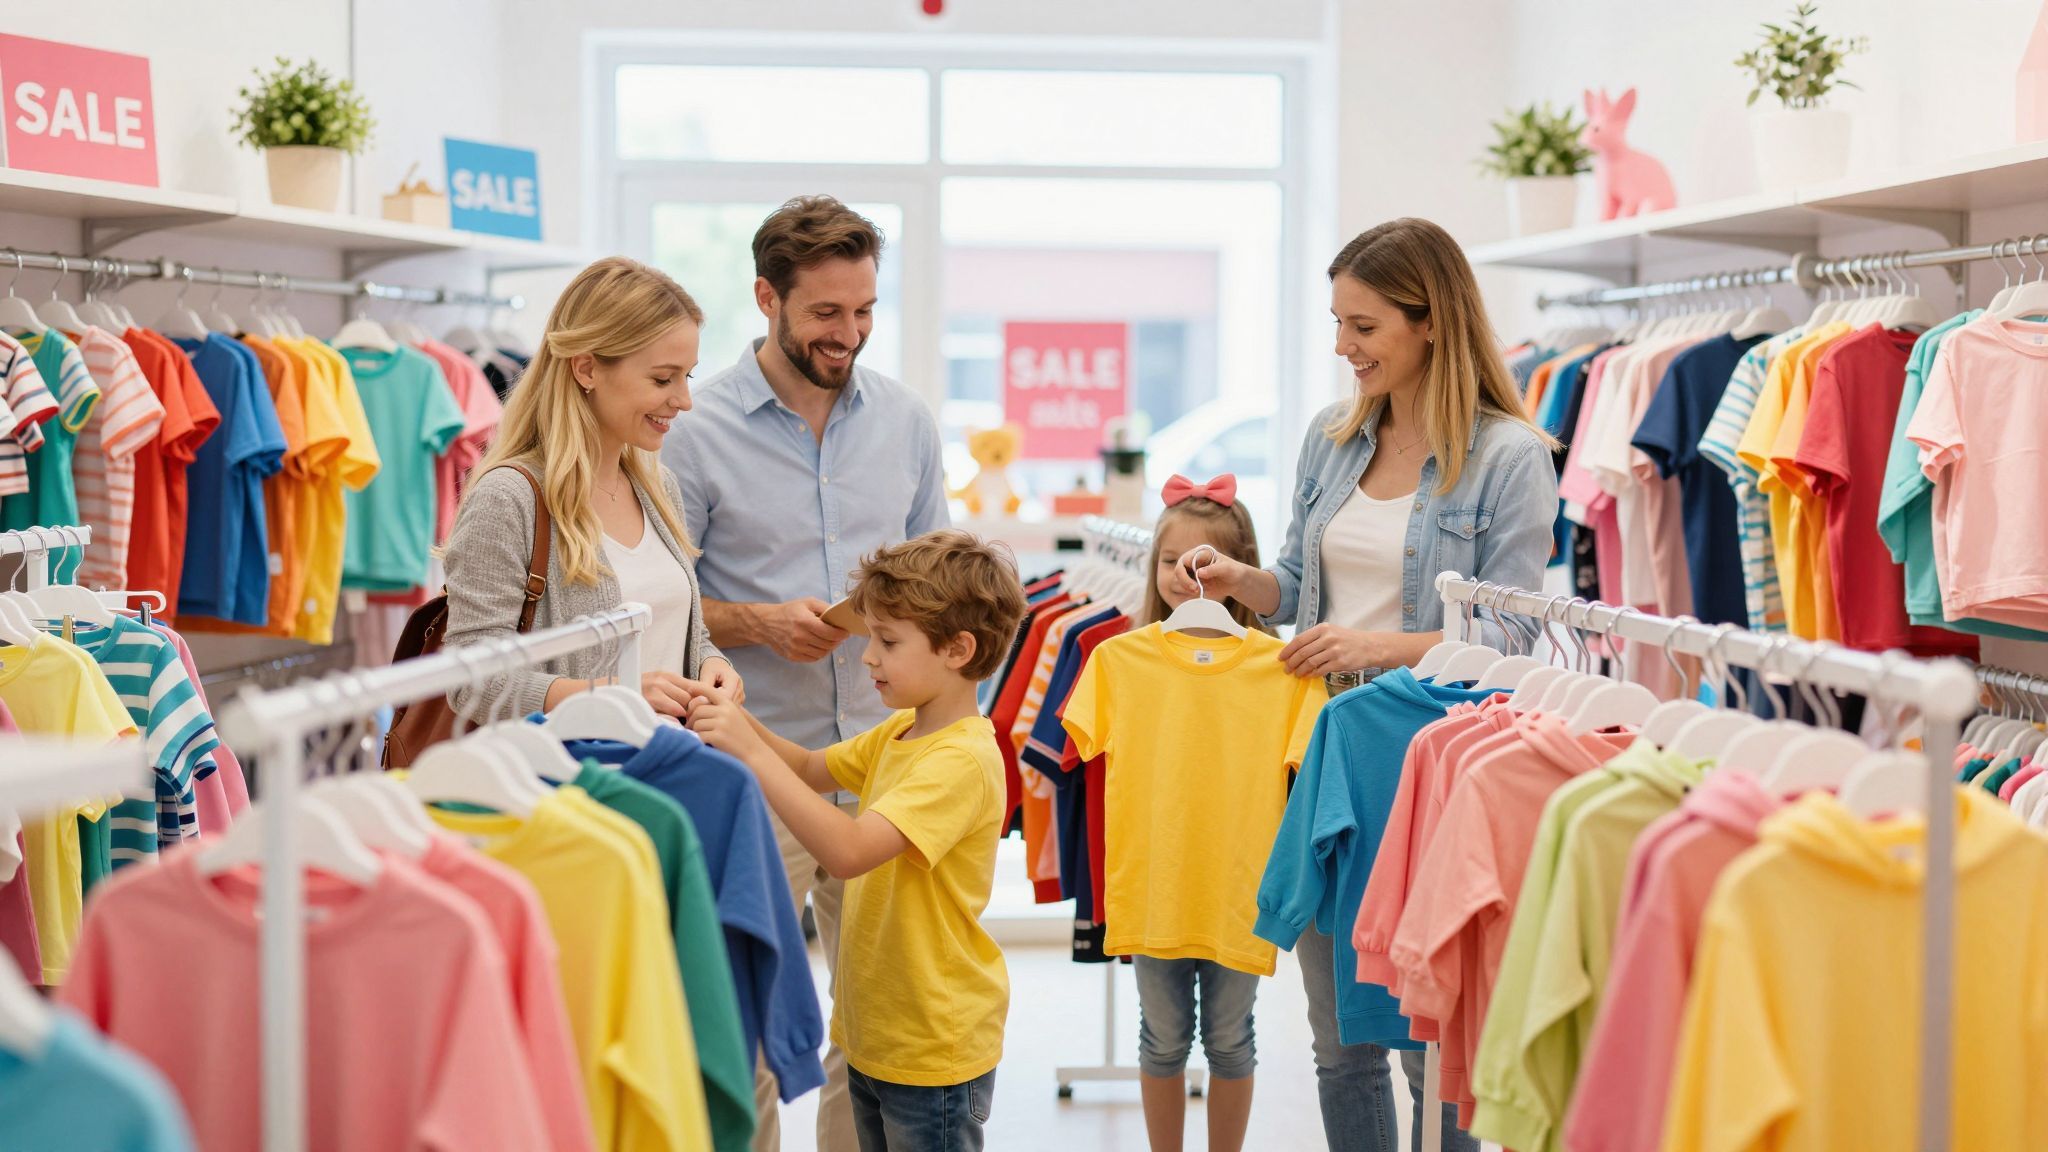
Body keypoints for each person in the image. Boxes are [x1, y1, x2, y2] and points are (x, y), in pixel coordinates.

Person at [1174, 217, 1557, 1152]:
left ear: (1431, 323)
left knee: (1430, 1037)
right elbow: (1300, 595)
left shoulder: (1510, 457)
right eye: (1338, 325)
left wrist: (1377, 648)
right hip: (1320, 748)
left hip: (1432, 760)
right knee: (1339, 1035)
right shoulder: (1331, 438)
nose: (1343, 349)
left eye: (1364, 327)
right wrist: (1241, 584)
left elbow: (1510, 634)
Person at [663, 194, 950, 1150]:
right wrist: (754, 622)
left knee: (873, 1022)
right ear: (766, 298)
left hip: (883, 761)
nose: (850, 332)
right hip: (750, 765)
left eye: (865, 309)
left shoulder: (906, 424)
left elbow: (938, 582)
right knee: (741, 1011)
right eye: (827, 313)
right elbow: (658, 603)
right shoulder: (690, 431)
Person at [687, 529, 1028, 1152]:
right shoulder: (902, 731)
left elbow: (847, 850)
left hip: (933, 1044)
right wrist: (730, 714)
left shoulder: (963, 760)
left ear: (958, 649)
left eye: (888, 641)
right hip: (875, 1030)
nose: (868, 657)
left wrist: (745, 749)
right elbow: (810, 768)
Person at [442, 256, 742, 721]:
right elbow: (472, 681)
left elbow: (682, 629)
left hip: (667, 766)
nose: (684, 400)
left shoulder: (658, 487)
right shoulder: (509, 498)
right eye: (663, 378)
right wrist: (609, 693)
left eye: (688, 376)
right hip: (574, 784)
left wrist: (711, 661)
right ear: (586, 369)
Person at [1132, 478, 1268, 1152]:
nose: (1186, 577)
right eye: (1170, 561)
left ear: (1239, 568)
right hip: (1154, 888)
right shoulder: (1121, 663)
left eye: (1205, 561)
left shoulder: (1279, 671)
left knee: (1231, 1039)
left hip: (1239, 891)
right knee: (1160, 1038)